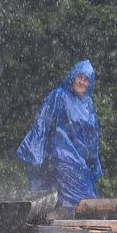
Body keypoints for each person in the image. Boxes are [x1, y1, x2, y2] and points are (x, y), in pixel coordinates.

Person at [16, 60, 101, 213]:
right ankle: (69, 228)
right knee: (78, 200)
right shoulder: (58, 96)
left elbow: (92, 136)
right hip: (60, 158)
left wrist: (94, 162)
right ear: (73, 77)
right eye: (79, 77)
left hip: (80, 161)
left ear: (90, 83)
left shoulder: (88, 104)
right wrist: (35, 151)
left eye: (86, 79)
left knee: (85, 199)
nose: (81, 82)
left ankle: (74, 229)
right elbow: (42, 123)